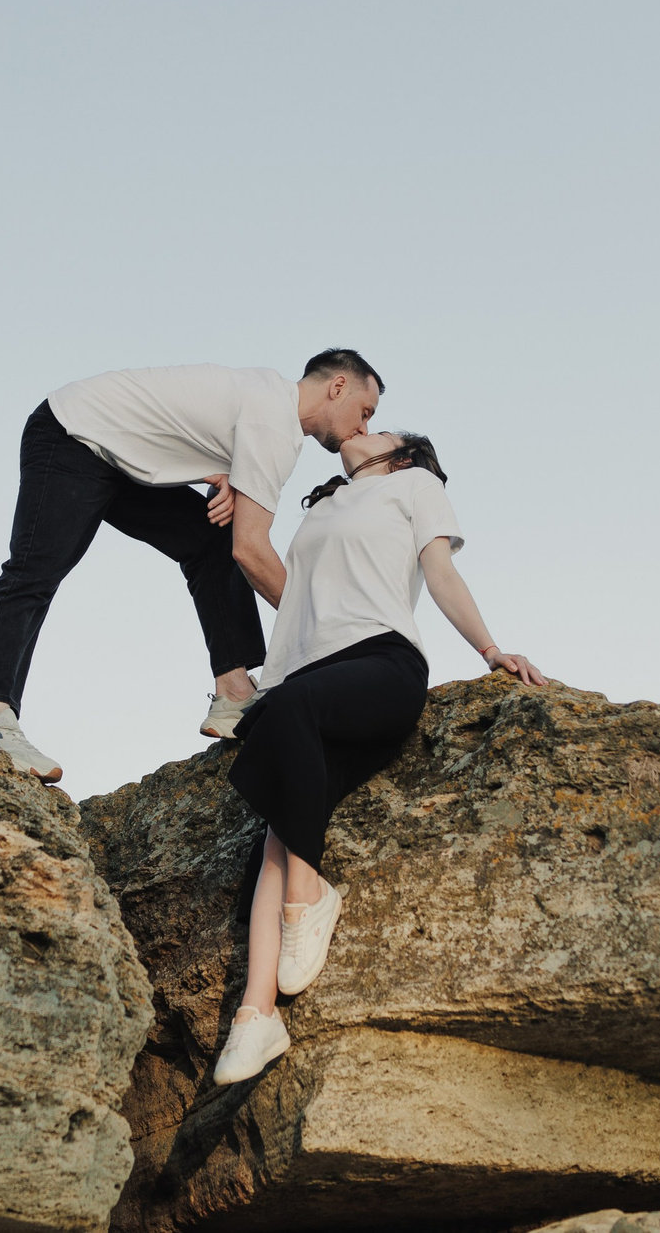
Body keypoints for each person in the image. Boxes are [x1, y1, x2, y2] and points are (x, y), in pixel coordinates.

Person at [210, 429, 547, 1086]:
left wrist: (490, 650)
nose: (367, 426)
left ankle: (309, 898)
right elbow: (293, 604)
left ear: (405, 455)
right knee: (276, 829)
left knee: (291, 720)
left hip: (381, 668)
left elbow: (441, 571)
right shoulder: (321, 508)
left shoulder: (416, 487)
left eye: (383, 427)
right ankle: (255, 1015)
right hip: (305, 681)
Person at [0, 351, 386, 783]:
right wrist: (325, 627)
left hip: (118, 458)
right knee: (33, 573)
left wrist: (220, 472)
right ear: (337, 387)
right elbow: (252, 551)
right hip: (71, 432)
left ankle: (235, 692)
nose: (363, 427)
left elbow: (195, 439)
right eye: (365, 411)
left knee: (209, 539)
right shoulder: (272, 420)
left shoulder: (268, 400)